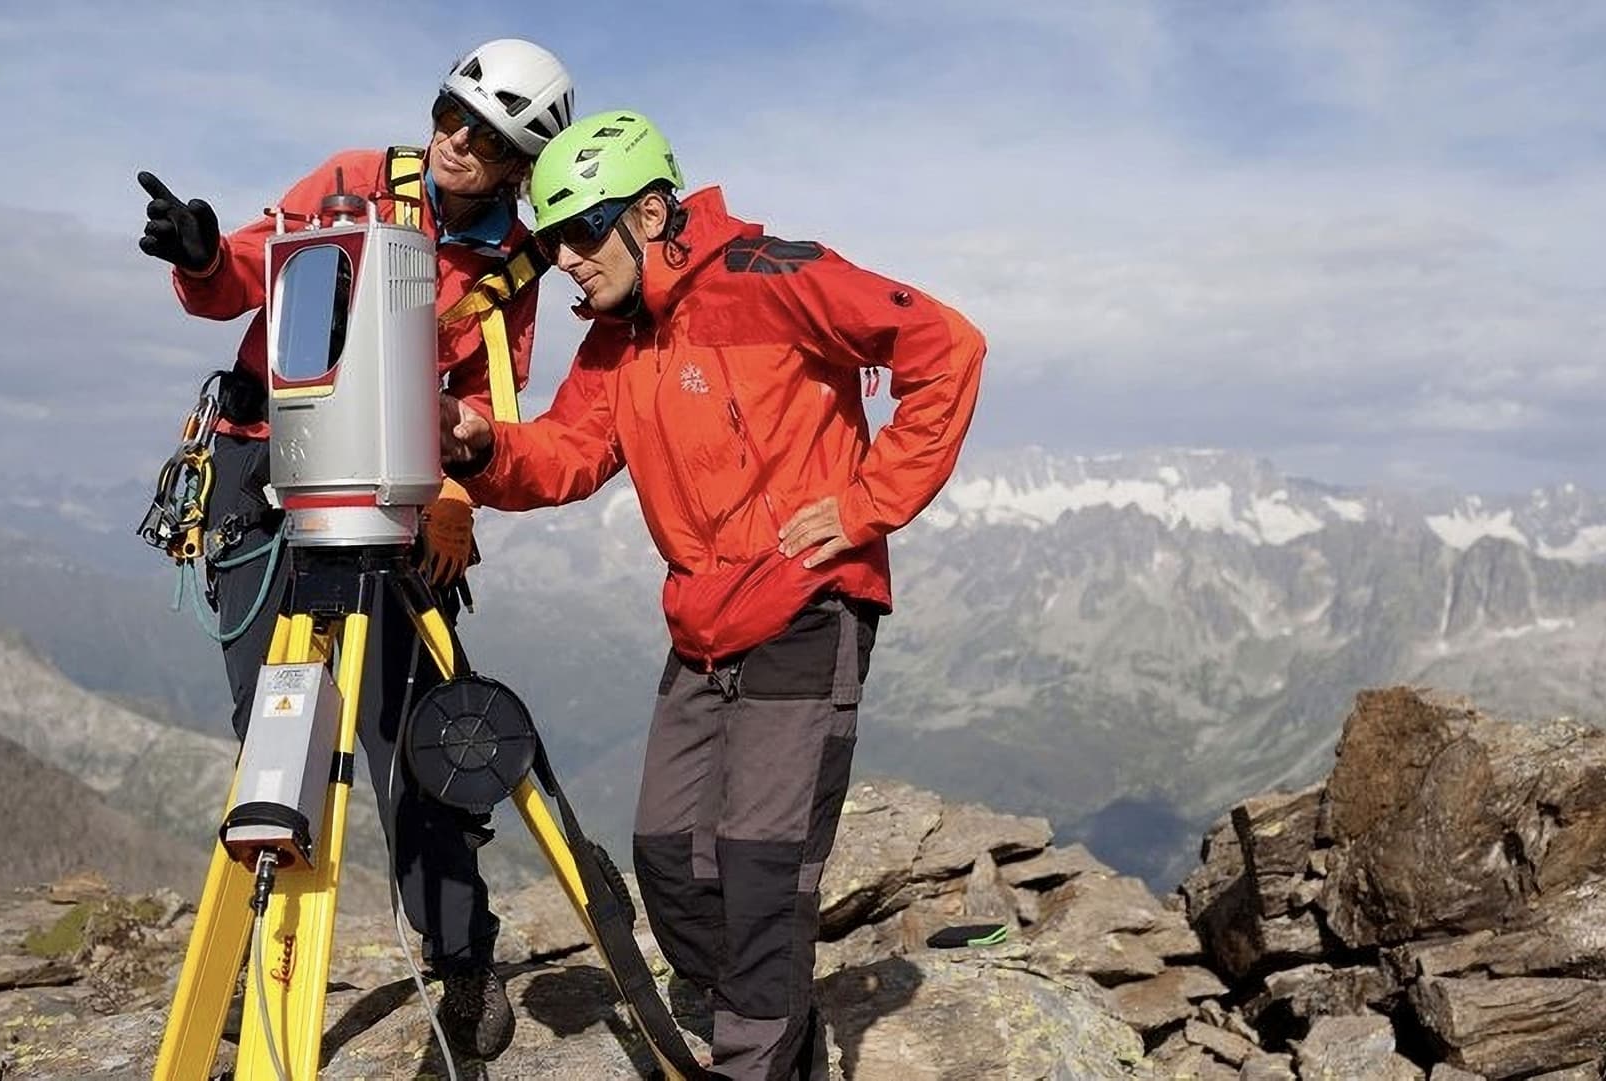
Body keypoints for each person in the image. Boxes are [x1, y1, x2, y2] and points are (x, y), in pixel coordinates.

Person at [441, 110, 985, 1080]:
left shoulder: (772, 278)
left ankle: (755, 1055)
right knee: (665, 859)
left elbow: (944, 346)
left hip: (809, 607)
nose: (563, 258)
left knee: (762, 874)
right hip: (700, 621)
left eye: (579, 230)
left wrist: (867, 504)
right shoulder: (618, 340)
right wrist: (485, 446)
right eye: (551, 237)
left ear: (649, 214)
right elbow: (569, 452)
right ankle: (776, 1027)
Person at [135, 38, 576, 1062]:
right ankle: (259, 959)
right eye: (450, 114)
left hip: (390, 492)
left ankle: (463, 960)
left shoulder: (512, 269)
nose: (455, 140)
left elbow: (488, 400)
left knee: (412, 736)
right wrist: (202, 254)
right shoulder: (355, 181)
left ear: (520, 162)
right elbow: (246, 273)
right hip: (259, 469)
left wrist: (454, 485)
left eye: (486, 135)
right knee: (274, 727)